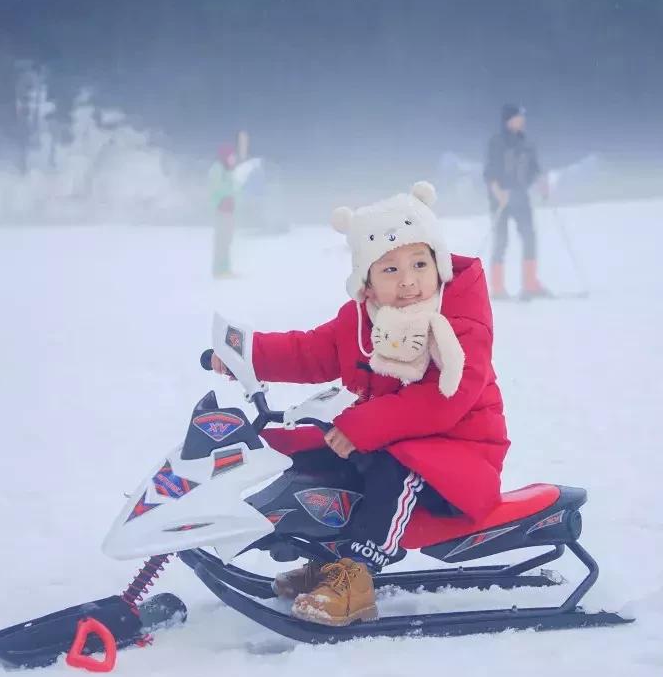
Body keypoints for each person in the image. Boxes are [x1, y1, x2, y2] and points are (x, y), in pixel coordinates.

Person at [211, 181, 509, 626]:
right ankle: (332, 560)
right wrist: (245, 356)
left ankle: (358, 574)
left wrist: (362, 425)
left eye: (419, 263)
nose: (408, 280)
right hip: (394, 437)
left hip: (460, 454)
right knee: (327, 456)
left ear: (439, 265)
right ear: (366, 284)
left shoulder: (459, 323)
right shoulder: (361, 321)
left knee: (396, 469)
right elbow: (310, 351)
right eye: (389, 270)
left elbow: (443, 402)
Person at [483, 103, 551, 300]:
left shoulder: (527, 143)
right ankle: (497, 288)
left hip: (521, 197)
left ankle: (530, 284)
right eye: (519, 117)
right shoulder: (496, 142)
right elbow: (490, 172)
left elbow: (534, 169)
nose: (522, 121)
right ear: (508, 120)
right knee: (501, 241)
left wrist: (542, 183)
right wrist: (498, 192)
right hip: (500, 199)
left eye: (523, 117)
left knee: (530, 237)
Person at [208, 142, 238, 278]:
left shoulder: (229, 171)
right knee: (221, 240)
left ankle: (225, 269)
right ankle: (218, 270)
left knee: (227, 240)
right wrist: (225, 198)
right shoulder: (217, 169)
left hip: (229, 211)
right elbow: (216, 188)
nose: (234, 158)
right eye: (232, 156)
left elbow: (233, 189)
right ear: (225, 156)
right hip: (220, 209)